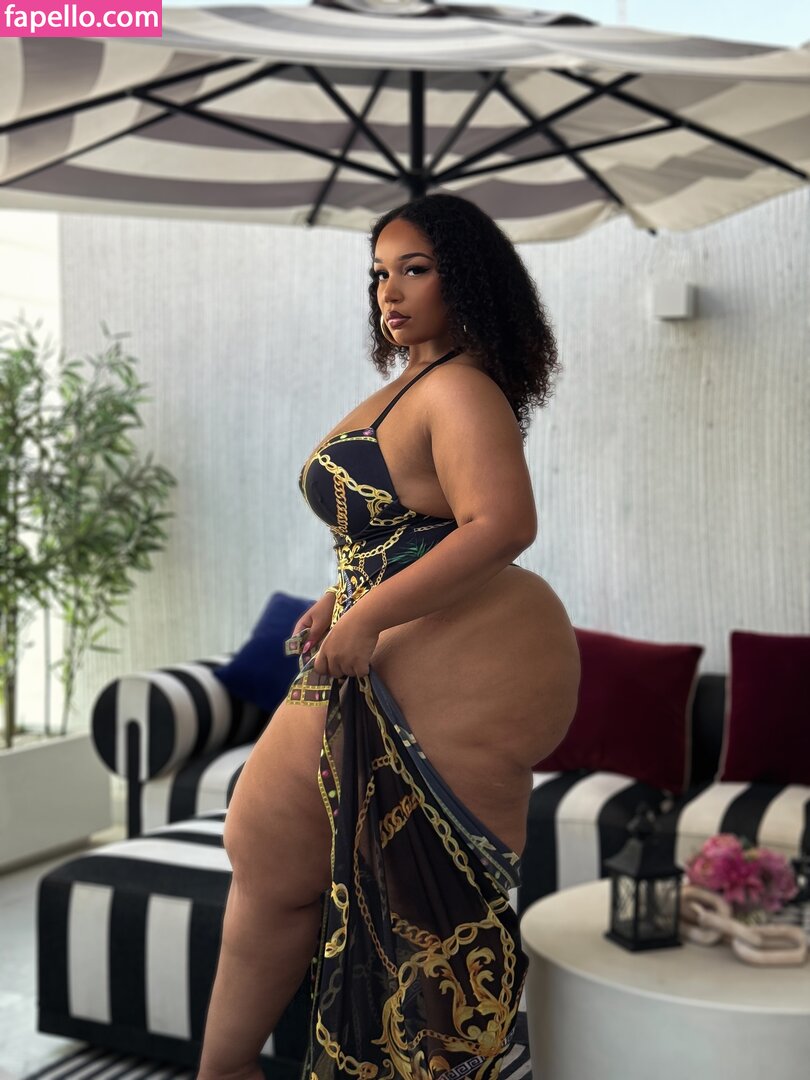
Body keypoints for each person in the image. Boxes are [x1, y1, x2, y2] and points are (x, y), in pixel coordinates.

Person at [196, 193, 581, 1080]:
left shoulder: (460, 388)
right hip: (393, 649)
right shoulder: (417, 384)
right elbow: (409, 524)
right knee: (273, 859)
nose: (389, 292)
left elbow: (501, 524)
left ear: (466, 280)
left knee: (422, 911)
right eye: (379, 273)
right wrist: (342, 595)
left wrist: (368, 613)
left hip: (451, 659)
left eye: (415, 269)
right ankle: (227, 1068)